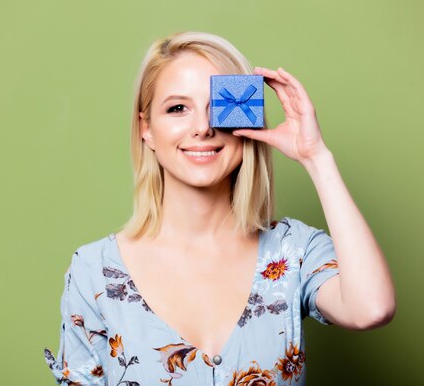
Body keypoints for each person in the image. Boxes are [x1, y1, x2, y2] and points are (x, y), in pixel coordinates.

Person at [43, 31, 396, 386]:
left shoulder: (294, 252)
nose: (203, 128)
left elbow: (372, 308)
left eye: (221, 106)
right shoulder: (95, 274)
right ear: (146, 128)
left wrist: (316, 156)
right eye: (178, 108)